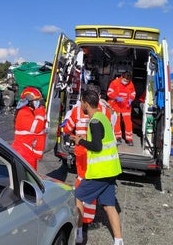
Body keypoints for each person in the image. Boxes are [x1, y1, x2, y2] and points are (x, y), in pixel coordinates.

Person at [70, 89, 124, 245]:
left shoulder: (94, 121)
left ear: (86, 104)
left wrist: (80, 141)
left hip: (100, 172)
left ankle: (79, 234)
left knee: (77, 196)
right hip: (111, 170)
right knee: (109, 206)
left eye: (81, 102)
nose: (80, 105)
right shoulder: (103, 118)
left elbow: (96, 146)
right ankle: (119, 241)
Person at [61, 85, 116, 226]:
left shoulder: (77, 110)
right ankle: (89, 219)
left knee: (82, 182)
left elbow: (67, 129)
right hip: (99, 157)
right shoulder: (105, 111)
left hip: (83, 151)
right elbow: (109, 130)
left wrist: (67, 125)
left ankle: (81, 221)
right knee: (92, 185)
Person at [12, 87, 47, 170]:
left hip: (28, 152)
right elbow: (37, 127)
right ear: (29, 101)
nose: (39, 102)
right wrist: (40, 110)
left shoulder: (30, 111)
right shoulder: (24, 112)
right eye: (37, 100)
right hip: (24, 152)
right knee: (28, 179)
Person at [107, 71, 136, 146]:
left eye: (127, 81)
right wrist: (116, 97)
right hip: (116, 105)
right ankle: (118, 137)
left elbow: (133, 93)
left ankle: (129, 139)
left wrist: (131, 99)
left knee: (128, 122)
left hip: (126, 106)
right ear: (122, 77)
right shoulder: (114, 82)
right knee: (117, 121)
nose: (126, 82)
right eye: (125, 80)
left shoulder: (131, 83)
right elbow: (109, 93)